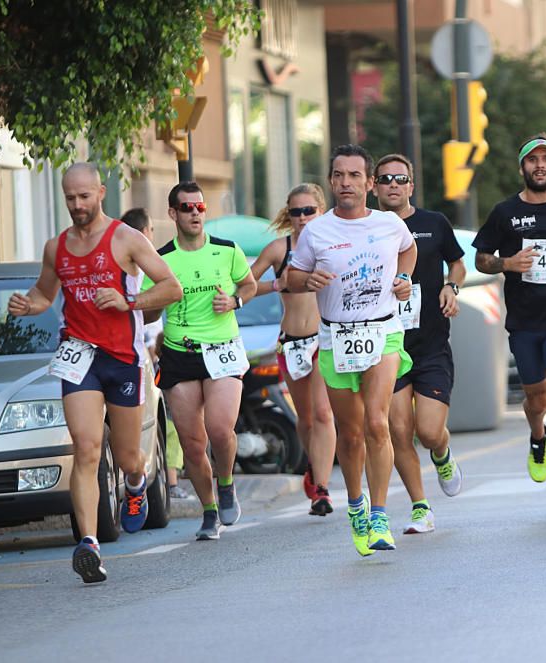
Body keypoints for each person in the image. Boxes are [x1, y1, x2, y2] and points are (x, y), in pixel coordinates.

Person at [7, 163, 182, 583]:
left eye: (84, 197)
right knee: (85, 448)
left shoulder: (126, 239)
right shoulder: (56, 247)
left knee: (127, 457)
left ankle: (137, 484)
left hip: (121, 357)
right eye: (70, 198)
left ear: (101, 193)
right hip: (78, 356)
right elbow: (45, 291)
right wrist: (29, 305)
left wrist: (129, 303)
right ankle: (88, 543)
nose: (77, 205)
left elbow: (170, 287)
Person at [284, 144, 417, 556]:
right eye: (339, 175)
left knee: (378, 423)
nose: (346, 183)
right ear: (331, 181)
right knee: (352, 431)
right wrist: (307, 282)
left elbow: (408, 250)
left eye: (354, 176)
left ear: (370, 183)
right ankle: (356, 502)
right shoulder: (316, 231)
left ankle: (380, 515)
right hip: (336, 337)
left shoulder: (389, 224)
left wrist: (404, 278)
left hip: (383, 332)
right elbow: (292, 274)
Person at [473, 132, 546, 519]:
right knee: (536, 399)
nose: (539, 165)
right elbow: (481, 259)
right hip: (523, 324)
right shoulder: (505, 213)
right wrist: (507, 264)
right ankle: (536, 437)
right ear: (522, 167)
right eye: (532, 160)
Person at [142, 181, 258, 540]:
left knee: (221, 430)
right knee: (192, 443)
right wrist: (159, 299)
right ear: (173, 213)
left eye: (200, 207)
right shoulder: (161, 259)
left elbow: (250, 285)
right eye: (187, 208)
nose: (195, 213)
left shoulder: (227, 250)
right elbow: (146, 314)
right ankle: (209, 510)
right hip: (180, 354)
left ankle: (226, 484)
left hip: (223, 348)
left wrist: (235, 302)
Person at [371, 153, 466, 534]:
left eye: (400, 179)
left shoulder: (433, 223)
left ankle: (442, 454)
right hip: (387, 343)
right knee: (398, 429)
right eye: (385, 179)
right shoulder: (367, 227)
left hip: (429, 345)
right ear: (374, 186)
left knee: (428, 432)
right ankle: (420, 507)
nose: (393, 185)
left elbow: (457, 262)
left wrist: (451, 286)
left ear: (411, 185)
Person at [253, 184, 337, 516]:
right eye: (295, 212)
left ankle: (322, 488)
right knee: (305, 419)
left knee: (323, 414)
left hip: (324, 339)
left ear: (321, 211)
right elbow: (244, 285)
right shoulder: (278, 249)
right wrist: (276, 284)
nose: (302, 218)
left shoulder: (332, 244)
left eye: (308, 211)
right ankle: (313, 468)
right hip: (292, 342)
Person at [121, 208, 188, 499]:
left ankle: (158, 483)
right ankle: (161, 483)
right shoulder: (137, 269)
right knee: (159, 427)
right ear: (144, 232)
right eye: (149, 231)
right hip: (140, 362)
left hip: (147, 358)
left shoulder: (149, 266)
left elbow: (172, 290)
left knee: (161, 426)